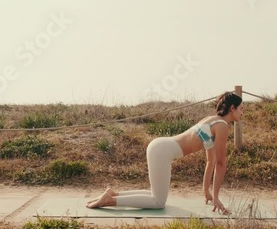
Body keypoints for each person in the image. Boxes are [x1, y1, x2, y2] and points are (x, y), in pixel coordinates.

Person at [86, 91, 244, 214]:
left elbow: (211, 161)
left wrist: (207, 192)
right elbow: (221, 164)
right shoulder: (222, 125)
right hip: (162, 152)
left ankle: (113, 194)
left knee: (155, 194)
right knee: (158, 202)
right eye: (241, 109)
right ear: (232, 108)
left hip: (159, 146)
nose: (242, 113)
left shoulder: (210, 120)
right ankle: (109, 201)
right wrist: (216, 198)